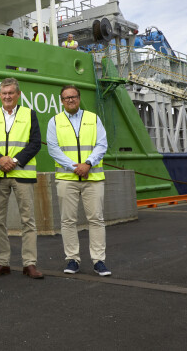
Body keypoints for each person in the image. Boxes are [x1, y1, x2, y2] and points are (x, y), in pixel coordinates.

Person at [0, 77, 44, 279]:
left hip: (21, 174)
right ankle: (2, 262)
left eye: (11, 93)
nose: (7, 96)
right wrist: (0, 160)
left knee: (28, 221)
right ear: (0, 95)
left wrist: (14, 160)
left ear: (18, 94)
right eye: (4, 93)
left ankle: (29, 263)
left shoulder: (29, 114)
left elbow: (35, 143)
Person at [46, 84, 111, 276]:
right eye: (66, 98)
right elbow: (53, 148)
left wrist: (88, 163)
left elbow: (102, 144)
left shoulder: (93, 118)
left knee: (96, 220)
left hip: (93, 177)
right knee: (67, 220)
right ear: (61, 101)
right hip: (67, 177)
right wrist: (75, 167)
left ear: (79, 98)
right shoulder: (55, 121)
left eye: (73, 97)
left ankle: (99, 260)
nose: (70, 100)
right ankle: (72, 259)